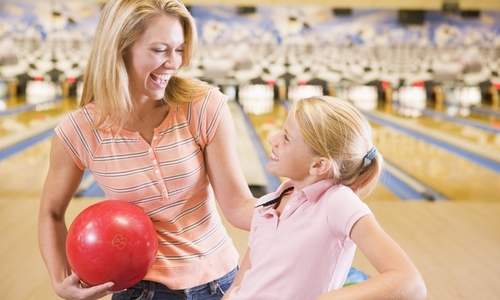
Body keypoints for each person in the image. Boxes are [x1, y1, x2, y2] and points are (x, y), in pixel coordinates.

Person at [37, 0, 256, 299]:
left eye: (178, 50)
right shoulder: (79, 131)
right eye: (160, 50)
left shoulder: (203, 105)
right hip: (140, 290)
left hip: (222, 282)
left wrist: (295, 207)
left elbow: (238, 205)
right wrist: (60, 279)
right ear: (120, 47)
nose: (174, 62)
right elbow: (51, 213)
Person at [222, 96, 427, 300]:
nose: (273, 139)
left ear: (319, 165)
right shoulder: (269, 203)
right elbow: (240, 285)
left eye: (286, 137)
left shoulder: (337, 202)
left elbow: (410, 283)